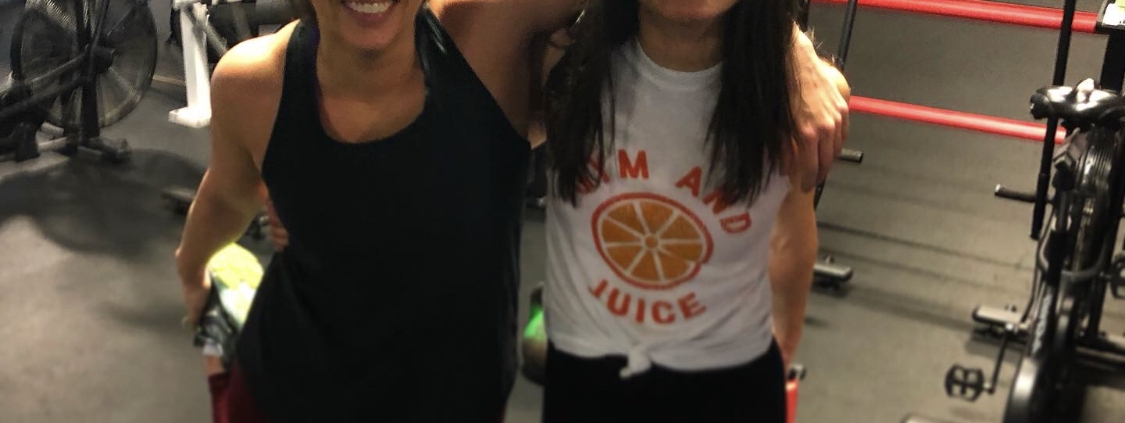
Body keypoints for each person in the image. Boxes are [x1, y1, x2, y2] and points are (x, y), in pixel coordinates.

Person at [177, 0, 849, 422]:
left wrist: (786, 48)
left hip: (459, 405)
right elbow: (227, 193)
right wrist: (191, 266)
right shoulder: (255, 83)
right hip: (284, 395)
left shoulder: (487, 32)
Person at [537, 1, 848, 421]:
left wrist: (779, 357)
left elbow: (791, 240)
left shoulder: (794, 102)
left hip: (730, 381)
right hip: (585, 376)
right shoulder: (558, 62)